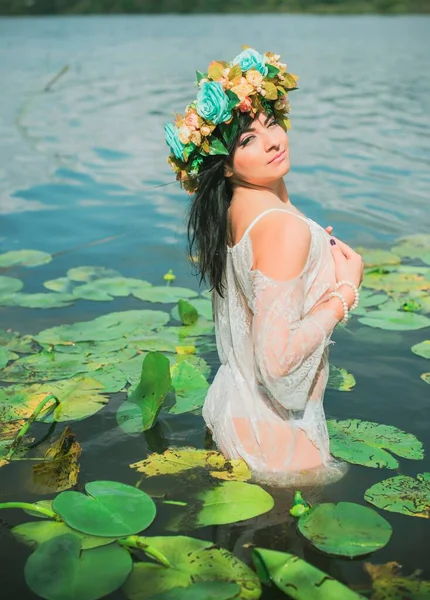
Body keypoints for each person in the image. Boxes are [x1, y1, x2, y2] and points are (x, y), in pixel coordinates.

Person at [165, 47, 364, 486]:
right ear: (226, 166)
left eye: (271, 123)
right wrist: (344, 290)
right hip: (279, 447)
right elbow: (277, 366)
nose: (273, 140)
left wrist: (314, 253)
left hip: (234, 414)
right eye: (247, 139)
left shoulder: (236, 207)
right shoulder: (279, 226)